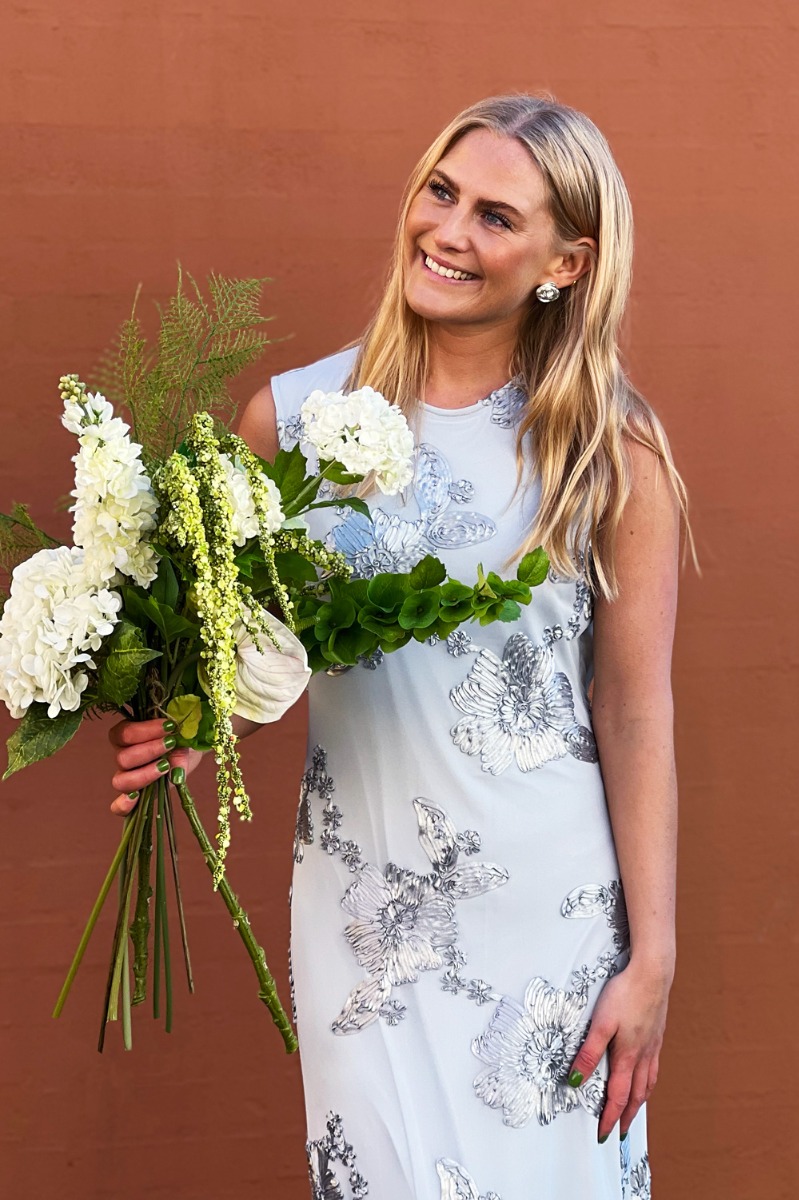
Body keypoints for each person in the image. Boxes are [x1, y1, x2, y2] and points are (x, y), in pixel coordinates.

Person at [109, 94, 689, 1199]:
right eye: (440, 192)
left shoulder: (606, 451)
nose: (448, 232)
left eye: (494, 217)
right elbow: (264, 655)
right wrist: (191, 726)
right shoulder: (288, 421)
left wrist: (652, 956)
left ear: (565, 263)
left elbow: (632, 708)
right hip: (363, 914)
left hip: (549, 923)